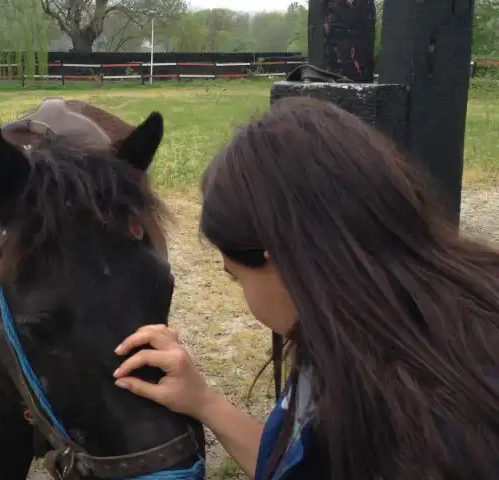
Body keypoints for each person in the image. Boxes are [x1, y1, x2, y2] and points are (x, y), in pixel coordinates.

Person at [112, 97, 499, 480]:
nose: (242, 295)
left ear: (278, 260)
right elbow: (302, 464)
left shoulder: (425, 438)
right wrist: (204, 402)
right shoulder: (400, 331)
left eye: (235, 277)